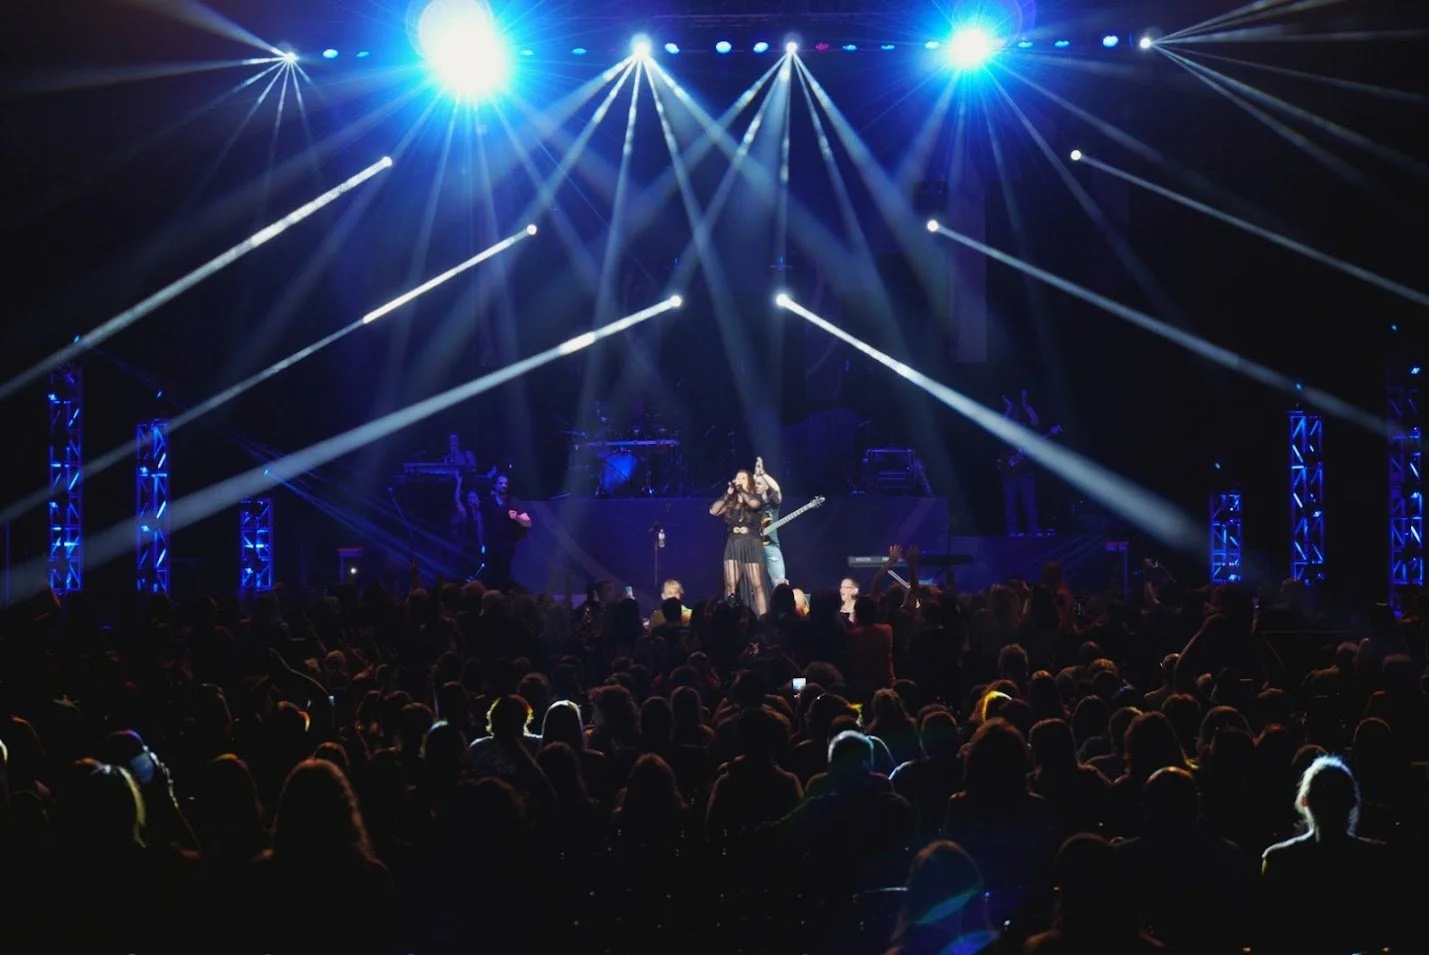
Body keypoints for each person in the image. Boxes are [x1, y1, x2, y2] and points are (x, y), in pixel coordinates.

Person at [710, 469, 768, 616]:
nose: (739, 480)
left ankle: (763, 619)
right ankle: (730, 618)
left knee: (757, 585)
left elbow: (754, 504)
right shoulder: (731, 501)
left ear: (749, 481)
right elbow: (713, 511)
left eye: (743, 478)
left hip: (751, 543)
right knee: (730, 585)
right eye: (737, 478)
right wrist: (728, 493)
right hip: (733, 544)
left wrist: (741, 490)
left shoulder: (756, 497)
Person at [999, 389, 1043, 536]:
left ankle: (1034, 529)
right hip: (1009, 471)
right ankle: (1013, 529)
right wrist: (1009, 407)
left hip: (1026, 471)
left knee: (1029, 502)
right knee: (1011, 503)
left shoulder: (1026, 428)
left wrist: (1026, 403)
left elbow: (1035, 420)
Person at [479, 473, 531, 591]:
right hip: (490, 545)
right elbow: (480, 523)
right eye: (501, 483)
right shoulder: (487, 502)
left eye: (506, 483)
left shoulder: (514, 502)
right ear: (495, 485)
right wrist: (481, 542)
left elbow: (528, 522)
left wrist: (517, 517)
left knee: (503, 576)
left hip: (507, 546)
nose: (504, 485)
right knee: (489, 576)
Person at [753, 456, 787, 586]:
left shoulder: (771, 504)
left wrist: (762, 473)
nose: (756, 486)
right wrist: (756, 475)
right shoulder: (750, 505)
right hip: (753, 549)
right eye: (755, 484)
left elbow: (777, 490)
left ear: (767, 486)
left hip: (771, 547)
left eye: (760, 484)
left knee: (779, 584)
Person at [452, 472, 485, 580]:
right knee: (466, 573)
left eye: (474, 497)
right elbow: (457, 501)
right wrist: (459, 482)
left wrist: (482, 546)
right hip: (467, 549)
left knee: (478, 572)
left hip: (478, 548)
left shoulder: (481, 513)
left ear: (478, 499)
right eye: (470, 498)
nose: (472, 500)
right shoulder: (465, 513)